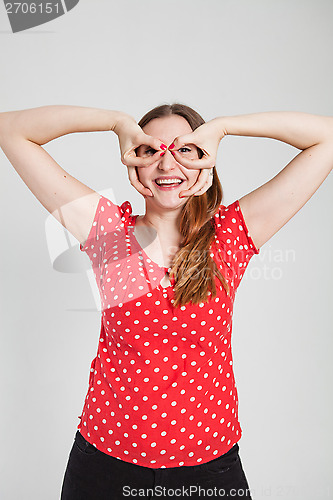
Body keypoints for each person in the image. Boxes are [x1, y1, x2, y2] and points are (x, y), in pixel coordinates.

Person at [0, 103, 332, 499]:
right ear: (133, 161)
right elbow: (10, 130)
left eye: (184, 149)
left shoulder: (230, 236)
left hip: (210, 471)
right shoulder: (106, 230)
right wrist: (115, 123)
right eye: (151, 149)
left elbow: (326, 138)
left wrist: (223, 128)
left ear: (205, 160)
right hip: (104, 467)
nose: (166, 161)